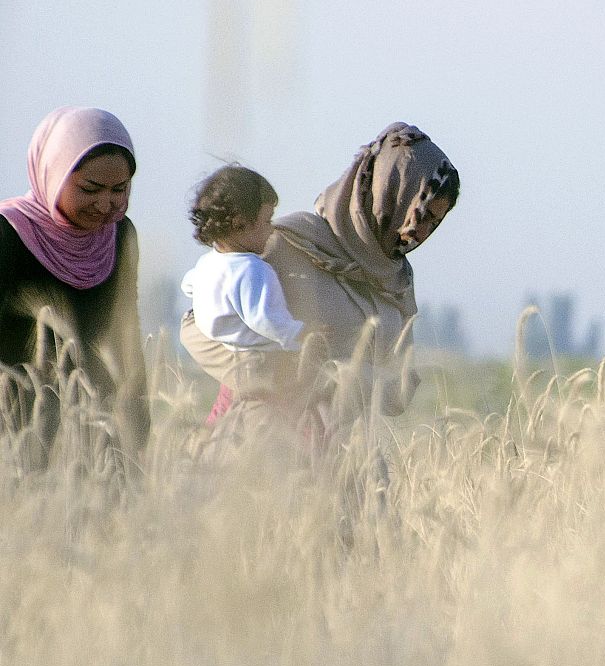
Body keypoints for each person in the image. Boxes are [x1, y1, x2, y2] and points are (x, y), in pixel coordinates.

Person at [207, 123, 458, 440]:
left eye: (434, 222)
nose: (420, 233)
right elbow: (203, 326)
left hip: (344, 461)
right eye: (418, 214)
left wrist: (352, 379)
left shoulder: (396, 280)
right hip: (261, 448)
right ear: (388, 194)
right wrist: (282, 375)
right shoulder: (285, 243)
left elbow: (398, 388)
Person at [0, 107, 148, 462]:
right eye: (90, 189)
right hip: (15, 424)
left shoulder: (121, 236)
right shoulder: (9, 234)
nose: (105, 204)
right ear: (51, 174)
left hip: (96, 426)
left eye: (119, 190)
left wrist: (137, 424)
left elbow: (125, 334)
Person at [180, 165, 306, 413]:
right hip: (258, 360)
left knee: (227, 410)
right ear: (240, 224)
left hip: (226, 358)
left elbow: (188, 285)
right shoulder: (253, 270)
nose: (272, 230)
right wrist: (302, 335)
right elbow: (265, 319)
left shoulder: (208, 263)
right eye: (267, 221)